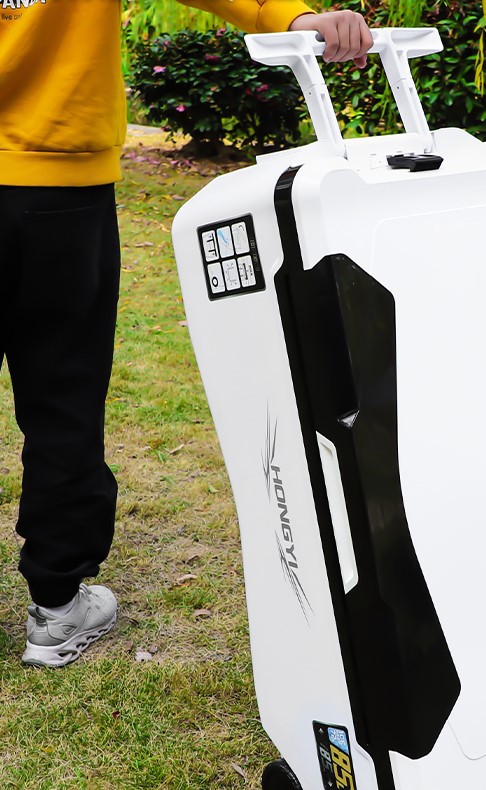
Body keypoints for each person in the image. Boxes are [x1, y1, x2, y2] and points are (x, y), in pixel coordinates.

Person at [0, 1, 372, 668]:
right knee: (63, 398)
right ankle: (56, 608)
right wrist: (290, 16)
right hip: (58, 191)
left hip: (60, 184)